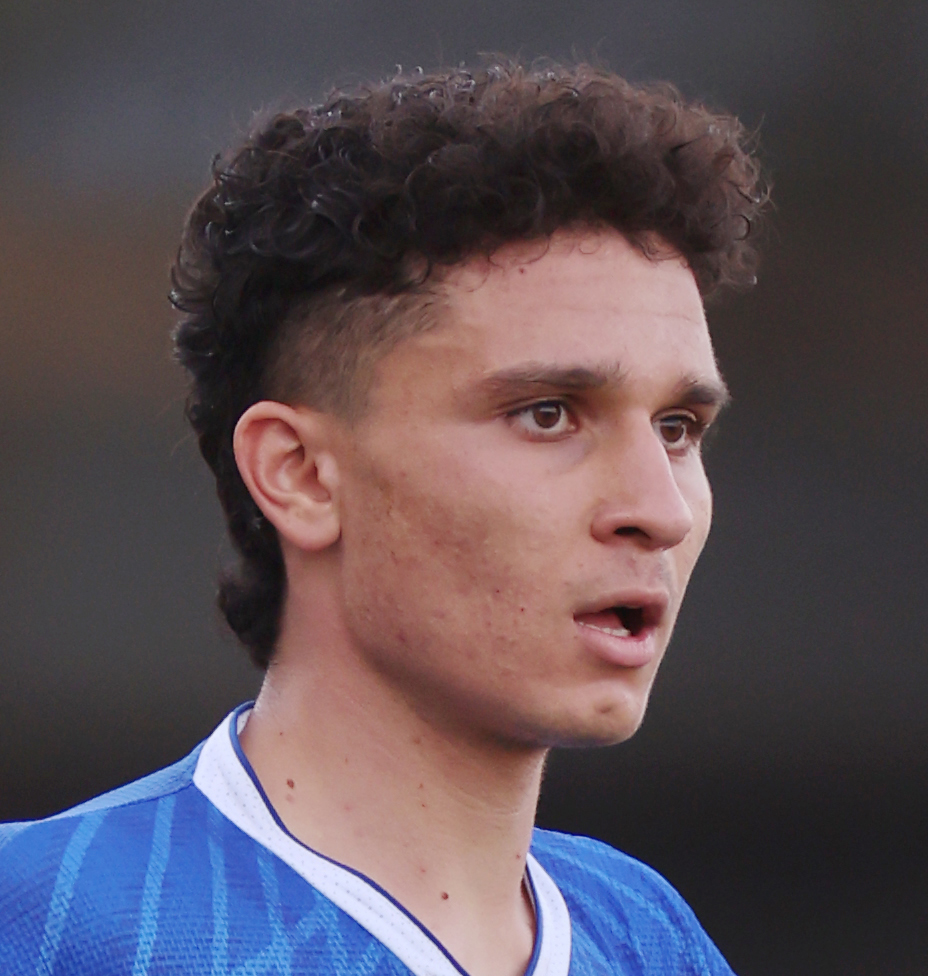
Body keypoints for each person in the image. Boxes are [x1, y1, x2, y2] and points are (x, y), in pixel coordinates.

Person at [0, 60, 766, 976]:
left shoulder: (652, 939)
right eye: (547, 414)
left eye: (678, 428)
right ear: (300, 475)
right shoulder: (43, 922)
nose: (660, 510)